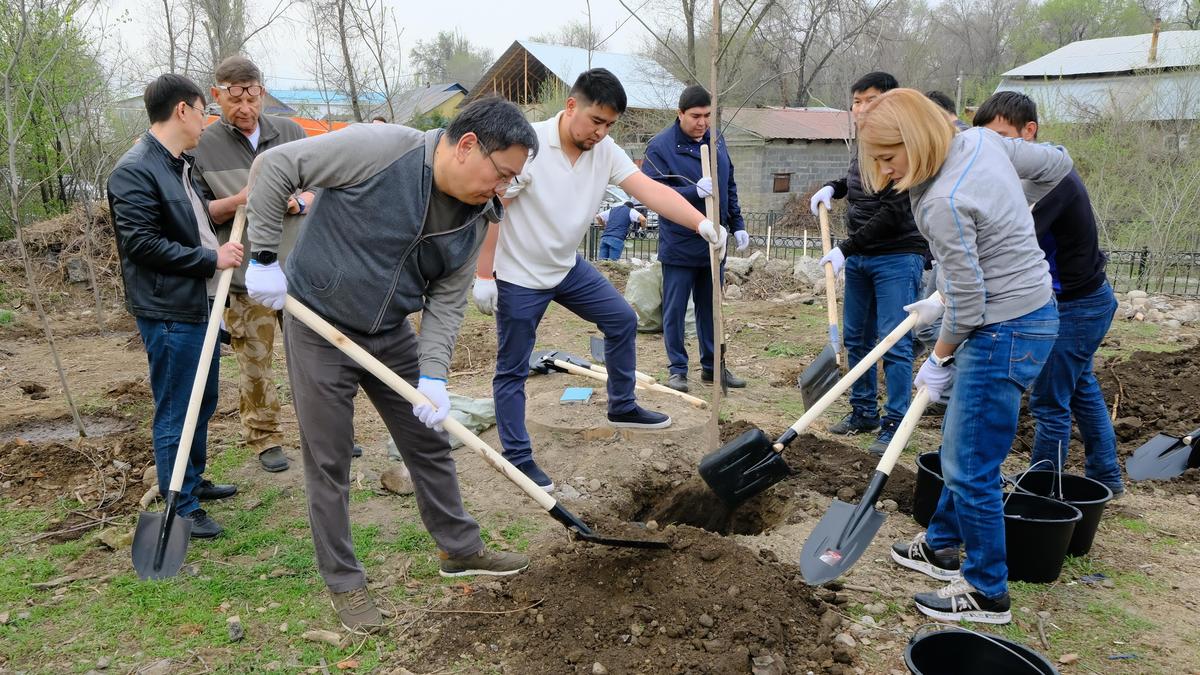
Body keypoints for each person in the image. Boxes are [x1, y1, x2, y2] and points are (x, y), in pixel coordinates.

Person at [243, 96, 537, 632]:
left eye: (511, 181)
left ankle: (460, 549)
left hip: (390, 332)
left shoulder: (474, 219)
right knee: (328, 457)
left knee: (430, 442)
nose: (502, 190)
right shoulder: (381, 150)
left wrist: (434, 377)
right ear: (468, 145)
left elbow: (446, 303)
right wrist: (263, 256)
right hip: (317, 321)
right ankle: (345, 582)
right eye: (502, 174)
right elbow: (276, 166)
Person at [858, 89, 1070, 624]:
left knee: (969, 461)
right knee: (964, 439)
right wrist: (1011, 215)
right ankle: (942, 544)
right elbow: (1058, 163)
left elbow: (972, 304)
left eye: (889, 157)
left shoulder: (941, 200)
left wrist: (940, 356)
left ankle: (986, 589)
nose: (883, 172)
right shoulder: (982, 142)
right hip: (1024, 311)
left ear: (918, 139)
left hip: (1004, 327)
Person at [472, 69, 727, 492]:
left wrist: (701, 224)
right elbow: (492, 207)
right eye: (596, 121)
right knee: (512, 369)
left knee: (622, 319)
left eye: (610, 124)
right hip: (519, 275)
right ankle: (518, 457)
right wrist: (485, 274)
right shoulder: (527, 145)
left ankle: (622, 405)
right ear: (572, 106)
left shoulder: (605, 150)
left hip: (566, 267)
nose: (601, 132)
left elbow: (649, 190)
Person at [108, 74, 243, 539]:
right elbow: (141, 244)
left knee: (202, 399)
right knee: (176, 408)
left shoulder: (178, 165)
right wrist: (212, 257)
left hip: (199, 302)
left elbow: (193, 219)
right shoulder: (134, 170)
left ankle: (192, 480)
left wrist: (236, 204)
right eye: (204, 110)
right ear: (182, 110)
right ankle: (179, 505)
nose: (207, 121)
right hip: (169, 310)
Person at [974, 91, 1124, 496]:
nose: (994, 149)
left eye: (1004, 138)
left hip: (1079, 304)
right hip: (1083, 299)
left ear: (1030, 132)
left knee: (1048, 402)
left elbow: (1010, 243)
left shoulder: (1049, 184)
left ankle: (1040, 491)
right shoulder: (1025, 179)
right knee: (1079, 386)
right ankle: (1106, 473)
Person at [192, 55, 312, 473]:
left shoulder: (292, 133)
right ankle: (265, 437)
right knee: (255, 361)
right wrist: (237, 200)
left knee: (314, 359)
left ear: (262, 91)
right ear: (216, 96)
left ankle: (323, 431)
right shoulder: (202, 146)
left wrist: (300, 200)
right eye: (234, 99)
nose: (245, 109)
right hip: (244, 278)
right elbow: (199, 211)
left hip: (298, 271)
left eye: (252, 97)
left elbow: (323, 189)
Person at [809, 72, 928, 455]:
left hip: (896, 256)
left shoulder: (904, 145)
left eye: (870, 100)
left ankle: (895, 421)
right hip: (862, 257)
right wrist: (833, 187)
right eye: (856, 101)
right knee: (857, 338)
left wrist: (845, 247)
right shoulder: (865, 144)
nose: (861, 109)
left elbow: (892, 212)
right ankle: (863, 412)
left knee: (894, 342)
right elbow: (855, 180)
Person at [643, 84, 749, 394]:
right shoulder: (660, 147)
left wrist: (737, 222)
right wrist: (693, 192)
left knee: (711, 306)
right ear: (680, 114)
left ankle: (713, 366)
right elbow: (652, 194)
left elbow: (729, 183)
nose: (702, 123)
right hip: (680, 242)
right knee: (675, 309)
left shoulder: (716, 139)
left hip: (714, 242)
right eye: (695, 116)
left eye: (707, 116)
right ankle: (677, 369)